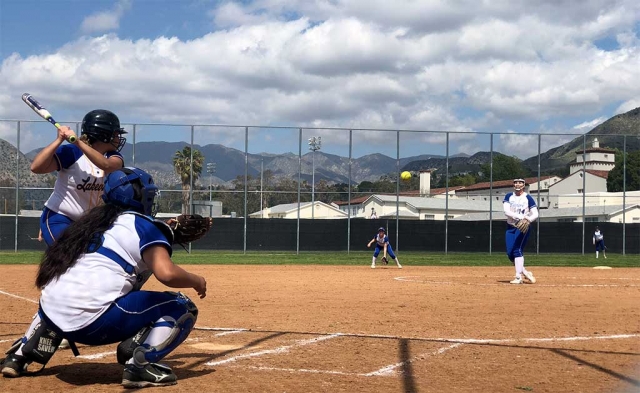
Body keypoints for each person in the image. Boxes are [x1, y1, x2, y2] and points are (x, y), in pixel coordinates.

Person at [1, 167, 207, 388]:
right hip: (92, 327)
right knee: (183, 307)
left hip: (50, 313)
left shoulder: (89, 222)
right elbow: (166, 274)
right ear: (140, 197)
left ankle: (21, 354)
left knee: (64, 290)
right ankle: (140, 365)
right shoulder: (145, 225)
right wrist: (197, 281)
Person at [31, 109, 127, 246]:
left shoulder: (112, 157)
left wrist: (78, 142)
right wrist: (59, 140)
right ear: (104, 134)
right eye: (115, 134)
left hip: (91, 223)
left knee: (96, 258)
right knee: (68, 254)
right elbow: (36, 167)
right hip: (60, 217)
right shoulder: (72, 153)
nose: (118, 138)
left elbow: (107, 165)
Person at [503, 178, 538, 284]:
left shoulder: (527, 197)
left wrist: (528, 220)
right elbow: (506, 211)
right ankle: (525, 272)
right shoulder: (509, 196)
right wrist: (520, 217)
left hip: (523, 227)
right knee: (510, 254)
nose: (517, 184)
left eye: (520, 182)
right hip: (511, 227)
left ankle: (518, 277)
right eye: (515, 182)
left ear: (524, 185)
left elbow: (535, 213)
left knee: (517, 250)